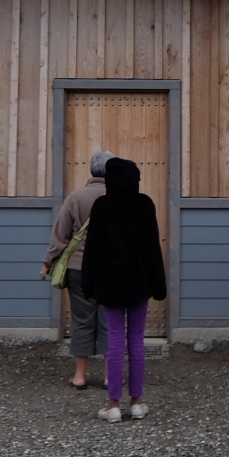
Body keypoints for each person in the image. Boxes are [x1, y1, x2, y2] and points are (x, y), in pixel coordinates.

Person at [81, 157, 167, 423]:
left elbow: (92, 248)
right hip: (139, 281)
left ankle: (114, 405)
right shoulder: (145, 204)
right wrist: (159, 285)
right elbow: (152, 248)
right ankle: (137, 402)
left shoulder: (101, 206)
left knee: (116, 340)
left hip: (109, 282)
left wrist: (88, 283)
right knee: (137, 340)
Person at [40, 149, 112, 388]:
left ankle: (80, 377)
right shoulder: (122, 197)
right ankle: (109, 377)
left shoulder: (76, 197)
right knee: (109, 321)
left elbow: (60, 234)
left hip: (79, 268)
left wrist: (47, 263)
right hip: (111, 270)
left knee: (82, 320)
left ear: (91, 170)